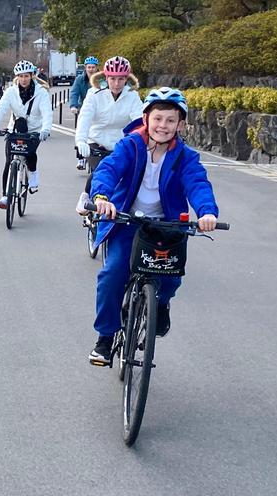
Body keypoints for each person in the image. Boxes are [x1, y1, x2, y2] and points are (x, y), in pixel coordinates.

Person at [87, 87, 219, 365]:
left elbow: (198, 184)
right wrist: (102, 197)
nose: (163, 125)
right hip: (127, 223)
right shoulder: (130, 146)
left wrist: (207, 212)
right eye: (158, 118)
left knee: (171, 279)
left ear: (180, 125)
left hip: (167, 228)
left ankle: (160, 304)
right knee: (112, 274)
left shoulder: (186, 157)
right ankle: (106, 338)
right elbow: (108, 170)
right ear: (146, 119)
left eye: (171, 120)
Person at [74, 57, 144, 214]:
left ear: (127, 78)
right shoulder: (94, 94)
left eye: (121, 79)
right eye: (113, 78)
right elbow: (85, 117)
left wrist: (146, 143)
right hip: (96, 140)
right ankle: (86, 195)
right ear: (106, 77)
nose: (117, 83)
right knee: (101, 168)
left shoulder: (132, 96)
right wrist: (81, 141)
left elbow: (140, 122)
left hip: (121, 143)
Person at [0, 60, 52, 208]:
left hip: (34, 129)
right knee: (9, 160)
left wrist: (45, 129)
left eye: (26, 76)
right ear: (17, 77)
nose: (23, 79)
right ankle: (5, 196)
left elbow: (47, 112)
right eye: (20, 76)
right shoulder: (11, 92)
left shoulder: (40, 92)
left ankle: (33, 173)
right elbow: (1, 108)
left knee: (29, 153)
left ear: (32, 76)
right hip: (15, 128)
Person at [71, 56, 99, 169]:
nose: (91, 70)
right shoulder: (79, 80)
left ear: (97, 68)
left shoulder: (101, 80)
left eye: (93, 67)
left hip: (98, 111)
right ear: (85, 68)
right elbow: (74, 93)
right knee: (81, 132)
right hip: (84, 109)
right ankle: (81, 158)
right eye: (89, 67)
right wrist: (73, 106)